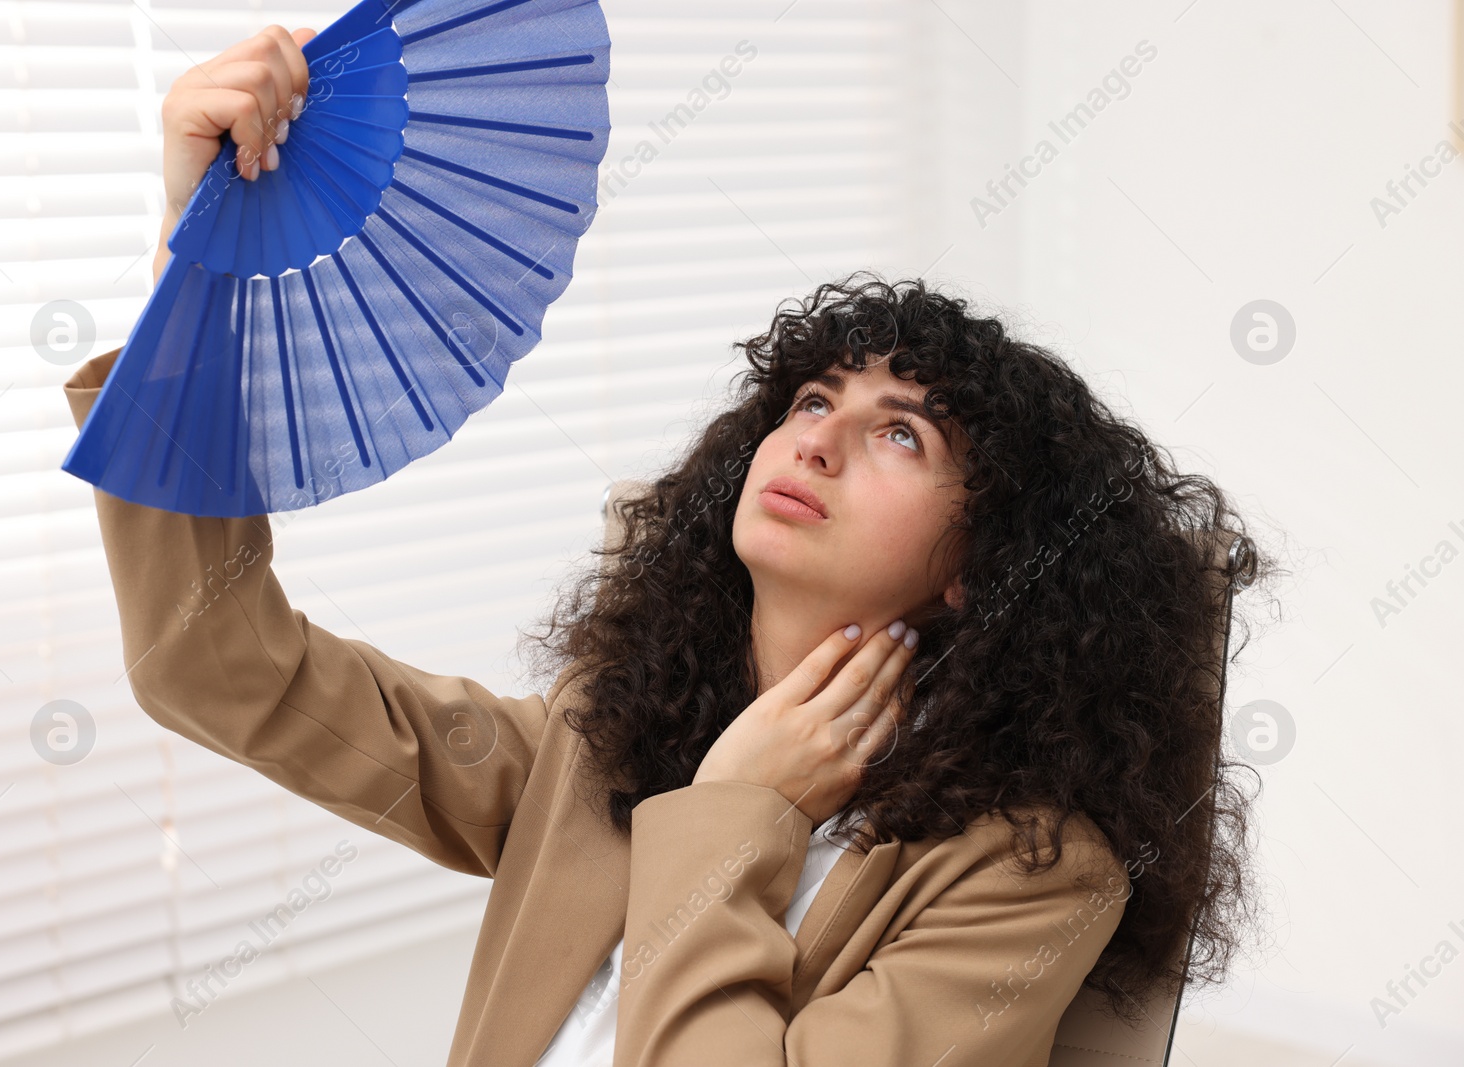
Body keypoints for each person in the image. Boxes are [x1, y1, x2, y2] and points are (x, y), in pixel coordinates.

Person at [64, 25, 1275, 1067]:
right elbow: (212, 660)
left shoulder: (1029, 871)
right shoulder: (603, 735)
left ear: (984, 557)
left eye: (899, 434)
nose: (819, 440)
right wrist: (194, 256)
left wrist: (740, 806)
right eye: (809, 402)